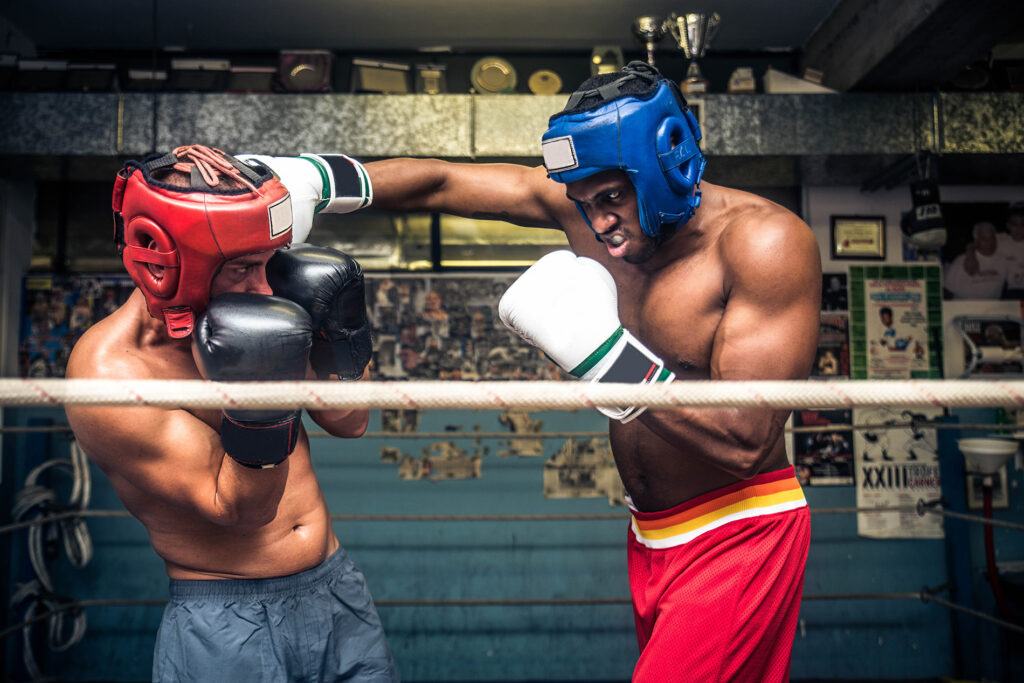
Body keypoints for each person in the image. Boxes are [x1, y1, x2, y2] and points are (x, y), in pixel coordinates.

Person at [254, 61, 820, 682]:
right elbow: (440, 183)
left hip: (739, 533)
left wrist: (608, 360)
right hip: (651, 534)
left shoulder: (762, 243)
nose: (597, 223)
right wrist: (313, 179)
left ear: (668, 163)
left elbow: (746, 440)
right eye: (582, 203)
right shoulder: (591, 210)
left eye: (611, 199)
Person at [64, 145, 398, 682]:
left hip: (335, 586)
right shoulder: (112, 375)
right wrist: (262, 391)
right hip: (227, 618)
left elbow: (349, 421)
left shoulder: (260, 303)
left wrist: (342, 336)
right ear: (171, 263)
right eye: (243, 268)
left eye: (268, 263)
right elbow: (242, 510)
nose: (265, 288)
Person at [944, 220, 1009, 299]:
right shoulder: (961, 261)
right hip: (964, 308)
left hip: (992, 309)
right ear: (976, 241)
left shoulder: (1003, 260)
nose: (989, 242)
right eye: (984, 239)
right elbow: (948, 291)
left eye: (992, 238)